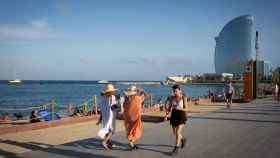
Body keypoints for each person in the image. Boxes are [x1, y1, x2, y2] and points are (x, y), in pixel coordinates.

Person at [164, 84, 188, 155]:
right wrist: (166, 115)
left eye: (176, 91)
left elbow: (186, 108)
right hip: (174, 115)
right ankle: (183, 139)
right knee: (175, 133)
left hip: (181, 115)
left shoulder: (183, 97)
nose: (174, 93)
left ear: (180, 90)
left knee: (177, 132)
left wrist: (179, 108)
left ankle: (176, 149)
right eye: (173, 91)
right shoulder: (172, 98)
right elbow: (169, 108)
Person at [96, 84, 119, 150]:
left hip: (105, 117)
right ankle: (104, 141)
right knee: (112, 131)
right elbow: (113, 107)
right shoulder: (112, 97)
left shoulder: (103, 98)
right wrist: (118, 108)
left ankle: (108, 142)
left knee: (107, 130)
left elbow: (102, 109)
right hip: (110, 116)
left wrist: (100, 119)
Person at [123, 85, 145, 150]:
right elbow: (145, 96)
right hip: (135, 117)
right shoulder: (137, 98)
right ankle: (131, 143)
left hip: (127, 116)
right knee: (136, 129)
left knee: (130, 130)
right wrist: (142, 90)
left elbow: (124, 106)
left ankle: (131, 144)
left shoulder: (127, 99)